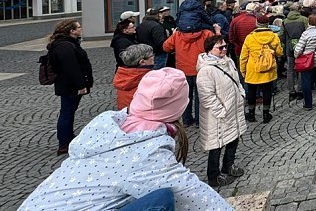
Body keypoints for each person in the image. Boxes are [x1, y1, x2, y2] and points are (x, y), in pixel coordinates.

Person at [19, 68, 233, 210]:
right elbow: (196, 198)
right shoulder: (147, 154)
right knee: (163, 198)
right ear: (179, 107)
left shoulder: (108, 125)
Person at [197, 35, 246, 187]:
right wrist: (221, 111)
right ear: (210, 50)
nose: (224, 49)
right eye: (220, 47)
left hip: (233, 109)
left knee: (234, 138)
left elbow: (236, 80)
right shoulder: (206, 70)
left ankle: (228, 166)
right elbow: (206, 96)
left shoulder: (228, 61)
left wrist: (241, 94)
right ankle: (214, 176)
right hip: (217, 115)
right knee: (216, 145)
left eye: (225, 46)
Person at [47, 19, 92, 156]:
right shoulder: (65, 46)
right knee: (67, 112)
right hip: (69, 85)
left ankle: (68, 137)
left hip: (68, 84)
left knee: (69, 111)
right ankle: (64, 142)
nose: (81, 28)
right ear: (71, 31)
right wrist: (80, 85)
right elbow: (71, 68)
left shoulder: (67, 43)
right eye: (78, 27)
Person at [163, 22, 219, 126]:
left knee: (185, 97)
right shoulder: (206, 33)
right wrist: (218, 32)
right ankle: (199, 121)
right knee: (201, 97)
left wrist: (173, 35)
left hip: (183, 70)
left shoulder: (177, 35)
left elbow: (166, 47)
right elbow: (217, 46)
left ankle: (186, 120)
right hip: (201, 69)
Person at [240, 14, 283, 123]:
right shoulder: (274, 36)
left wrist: (243, 70)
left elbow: (243, 56)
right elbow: (279, 53)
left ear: (257, 24)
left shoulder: (250, 37)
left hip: (253, 68)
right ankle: (266, 114)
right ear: (267, 24)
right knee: (267, 90)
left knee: (252, 91)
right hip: (268, 68)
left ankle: (251, 113)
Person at [294, 13, 316, 110]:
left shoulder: (306, 34)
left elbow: (299, 49)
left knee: (306, 82)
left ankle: (308, 104)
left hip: (307, 61)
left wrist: (296, 55)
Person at [113, 44, 154, 110]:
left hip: (125, 111)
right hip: (142, 113)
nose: (153, 57)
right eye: (151, 56)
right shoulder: (147, 78)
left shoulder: (122, 75)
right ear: (142, 62)